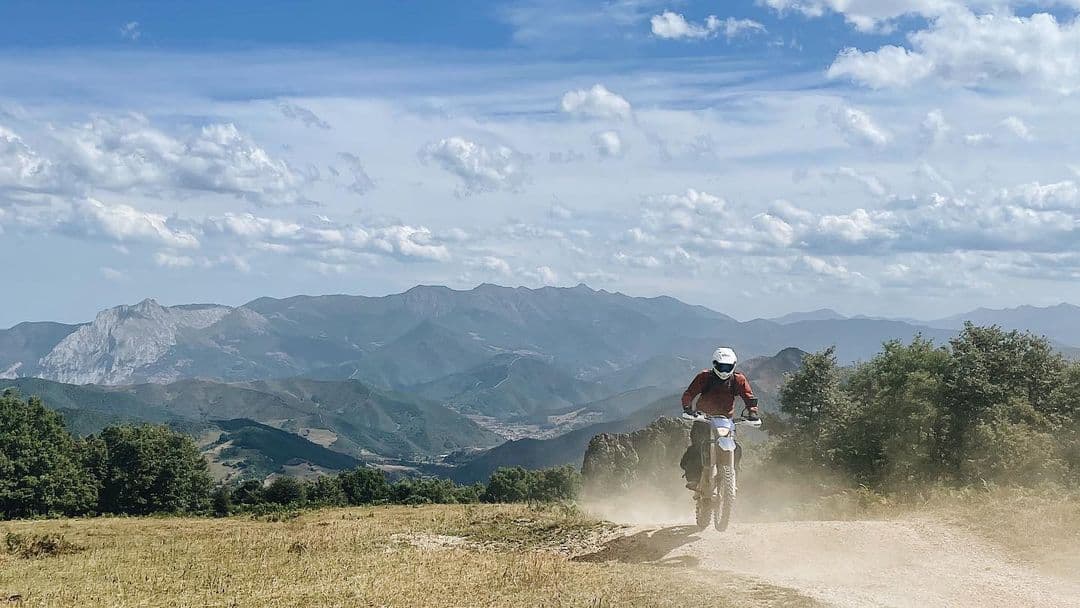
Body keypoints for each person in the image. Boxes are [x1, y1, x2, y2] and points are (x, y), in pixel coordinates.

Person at [679, 347, 759, 490]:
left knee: (736, 449)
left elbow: (748, 396)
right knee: (698, 447)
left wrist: (752, 412)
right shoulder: (704, 377)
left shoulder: (738, 379)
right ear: (714, 364)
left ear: (733, 365)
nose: (723, 370)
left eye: (727, 367)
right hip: (703, 420)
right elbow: (689, 393)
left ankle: (732, 480)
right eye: (720, 366)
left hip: (726, 422)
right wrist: (688, 408)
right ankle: (694, 478)